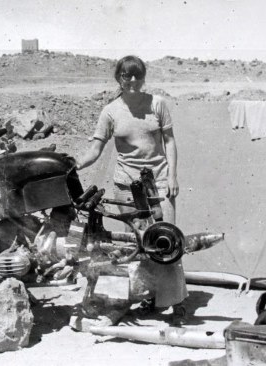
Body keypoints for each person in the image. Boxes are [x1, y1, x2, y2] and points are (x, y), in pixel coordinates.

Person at [76, 55, 187, 323]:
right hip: (126, 186)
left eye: (138, 75)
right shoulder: (110, 111)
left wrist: (173, 176)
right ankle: (146, 299)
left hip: (158, 183)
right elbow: (95, 149)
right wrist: (73, 164)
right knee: (137, 246)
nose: (133, 80)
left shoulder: (158, 104)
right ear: (119, 79)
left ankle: (177, 304)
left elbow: (170, 142)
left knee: (167, 242)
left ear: (144, 76)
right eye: (127, 76)